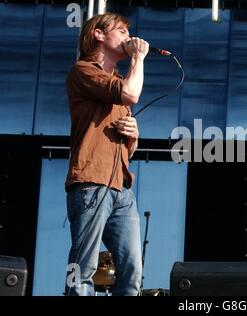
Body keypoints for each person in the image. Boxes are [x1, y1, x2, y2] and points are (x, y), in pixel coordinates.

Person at [64, 13, 149, 296]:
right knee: (84, 264)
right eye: (121, 30)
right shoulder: (83, 71)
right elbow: (130, 95)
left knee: (132, 267)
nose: (128, 36)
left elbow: (128, 150)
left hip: (122, 189)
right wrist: (138, 58)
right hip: (91, 182)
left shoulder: (119, 81)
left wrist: (133, 135)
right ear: (99, 35)